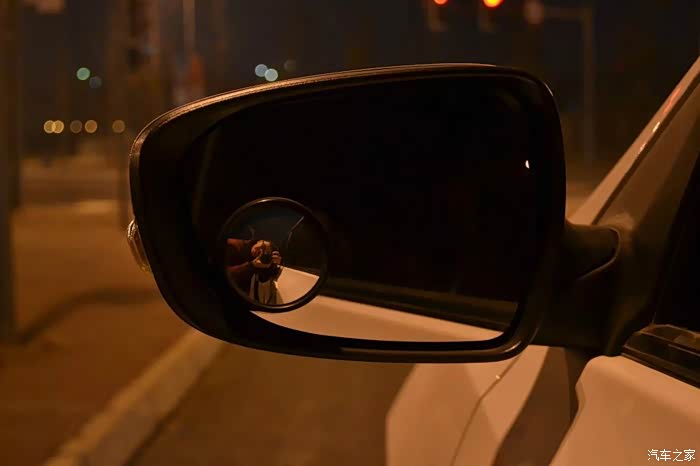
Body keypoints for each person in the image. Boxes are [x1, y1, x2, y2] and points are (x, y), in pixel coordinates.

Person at [225, 238, 283, 304]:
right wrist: (251, 266)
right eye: (263, 246)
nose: (261, 251)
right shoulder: (235, 245)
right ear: (259, 241)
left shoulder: (258, 262)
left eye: (265, 254)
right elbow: (224, 275)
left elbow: (266, 277)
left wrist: (274, 264)